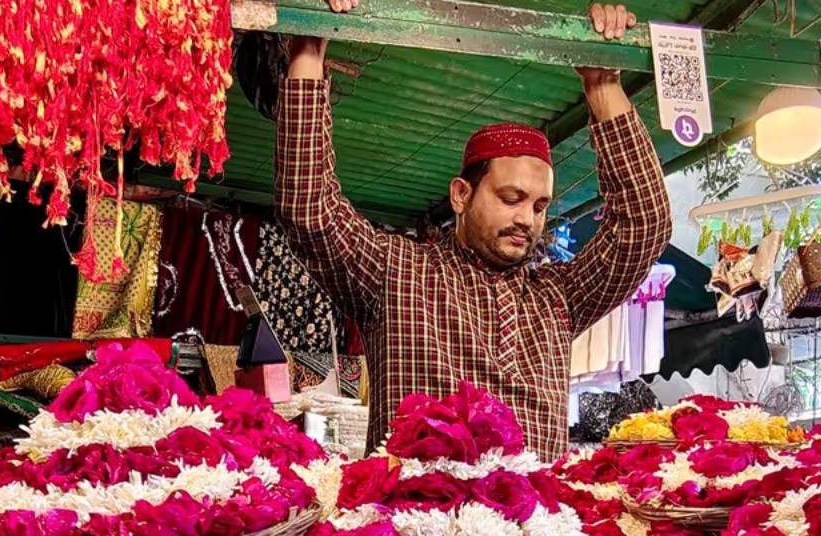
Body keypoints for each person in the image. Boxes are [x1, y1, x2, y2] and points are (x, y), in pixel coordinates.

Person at [275, 2, 672, 459]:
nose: (527, 219)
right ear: (461, 195)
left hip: (536, 506)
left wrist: (603, 87)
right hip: (416, 506)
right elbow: (310, 208)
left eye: (540, 206)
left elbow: (645, 224)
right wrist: (309, 47)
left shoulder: (556, 297)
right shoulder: (396, 273)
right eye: (511, 198)